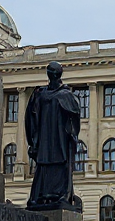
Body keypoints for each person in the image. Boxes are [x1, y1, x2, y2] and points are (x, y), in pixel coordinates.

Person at [24, 61, 82, 210]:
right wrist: (33, 141)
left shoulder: (66, 95)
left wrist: (70, 135)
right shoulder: (40, 93)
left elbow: (74, 118)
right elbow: (31, 117)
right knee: (43, 164)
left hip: (59, 139)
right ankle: (41, 196)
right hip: (44, 138)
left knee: (59, 163)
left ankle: (59, 194)